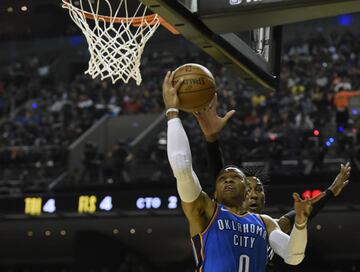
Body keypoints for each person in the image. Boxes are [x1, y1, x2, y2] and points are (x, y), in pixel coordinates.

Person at [163, 71, 311, 272]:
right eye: (223, 178)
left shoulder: (264, 222)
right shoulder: (205, 211)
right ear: (215, 191)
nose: (228, 180)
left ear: (247, 189)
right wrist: (172, 112)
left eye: (235, 177)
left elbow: (293, 256)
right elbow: (182, 168)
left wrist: (300, 225)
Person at [193, 93, 351, 266]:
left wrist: (330, 192)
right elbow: (219, 174)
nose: (253, 195)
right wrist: (211, 140)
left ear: (264, 198)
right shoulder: (221, 214)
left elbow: (304, 213)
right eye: (249, 190)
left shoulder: (269, 225)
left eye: (258, 190)